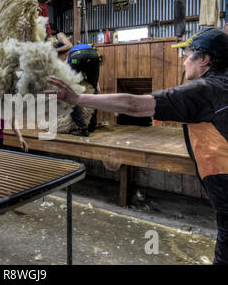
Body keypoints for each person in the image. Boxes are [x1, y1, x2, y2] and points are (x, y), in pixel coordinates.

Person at [46, 27, 228, 264]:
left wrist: (76, 98)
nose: (183, 61)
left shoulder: (205, 90)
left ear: (204, 59)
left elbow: (134, 105)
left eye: (187, 54)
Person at [67, 44, 101, 136]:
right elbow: (93, 80)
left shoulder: (67, 59)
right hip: (94, 54)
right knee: (93, 91)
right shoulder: (84, 47)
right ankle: (92, 125)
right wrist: (95, 83)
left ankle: (83, 129)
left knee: (71, 94)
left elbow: (66, 76)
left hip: (77, 56)